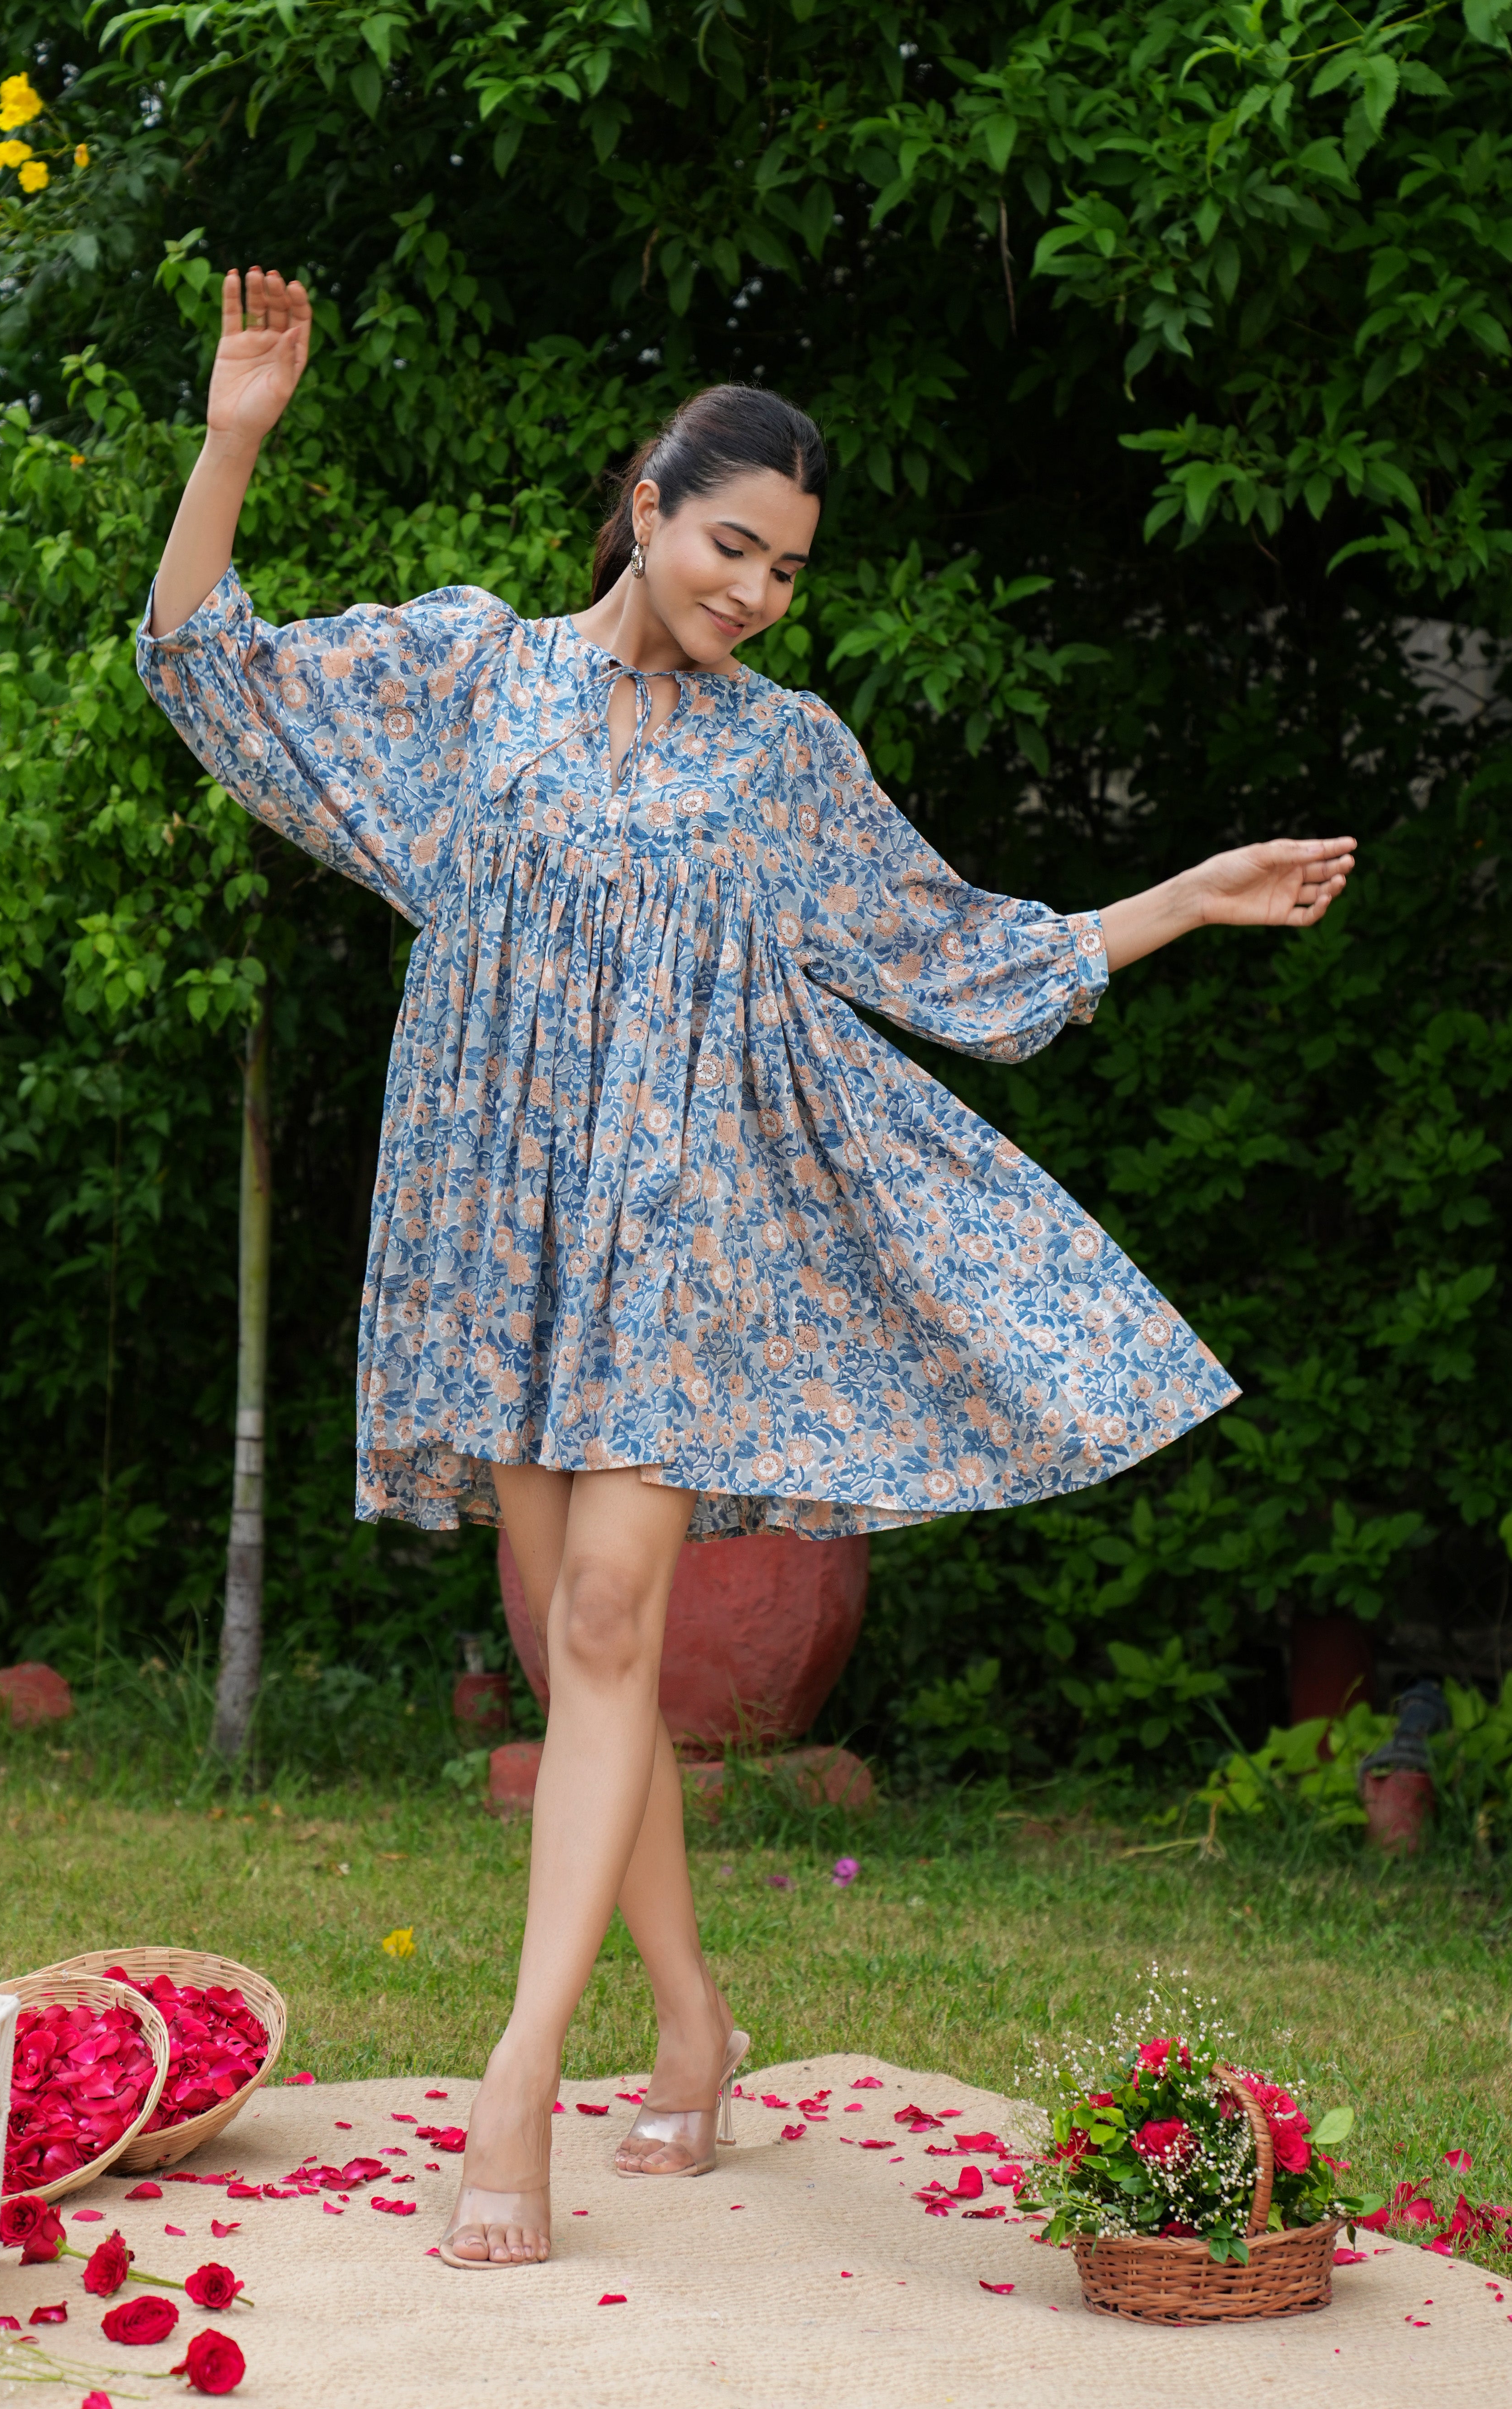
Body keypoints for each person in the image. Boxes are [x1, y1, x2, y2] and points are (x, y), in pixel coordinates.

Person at [138, 266, 1356, 2269]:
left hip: (673, 1239)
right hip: (493, 1220)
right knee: (579, 1639)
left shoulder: (786, 759)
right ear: (643, 505)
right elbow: (204, 660)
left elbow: (962, 956)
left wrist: (1183, 897)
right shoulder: (469, 679)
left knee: (612, 1616)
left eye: (789, 567)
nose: (761, 590)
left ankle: (516, 2079)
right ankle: (695, 2018)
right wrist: (237, 435)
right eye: (734, 544)